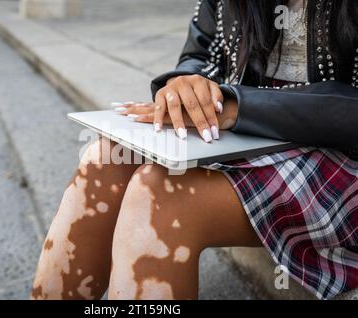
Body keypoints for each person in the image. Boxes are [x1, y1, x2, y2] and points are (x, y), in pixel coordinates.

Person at [32, 0, 358, 300]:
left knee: (159, 194)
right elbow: (200, 55)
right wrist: (186, 86)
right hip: (249, 132)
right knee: (104, 159)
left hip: (339, 150)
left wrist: (237, 107)